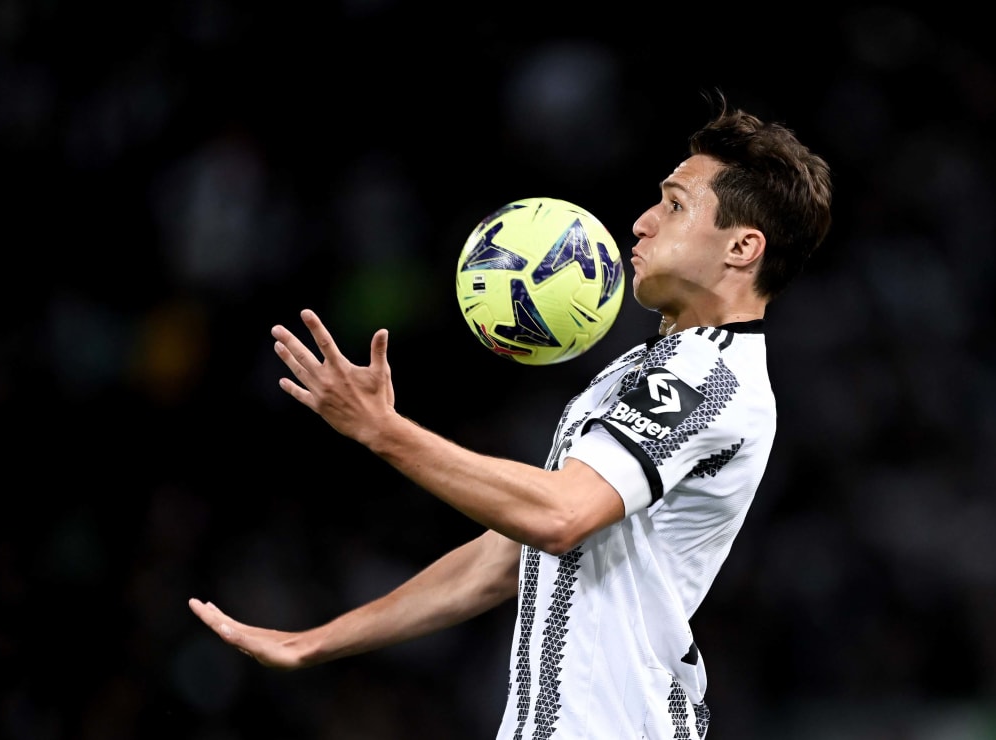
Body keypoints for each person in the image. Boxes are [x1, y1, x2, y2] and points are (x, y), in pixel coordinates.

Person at [188, 95, 833, 739]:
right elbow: (500, 559)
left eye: (673, 205)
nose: (640, 223)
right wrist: (314, 644)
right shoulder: (641, 369)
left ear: (744, 247)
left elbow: (559, 515)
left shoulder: (712, 377)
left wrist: (382, 430)